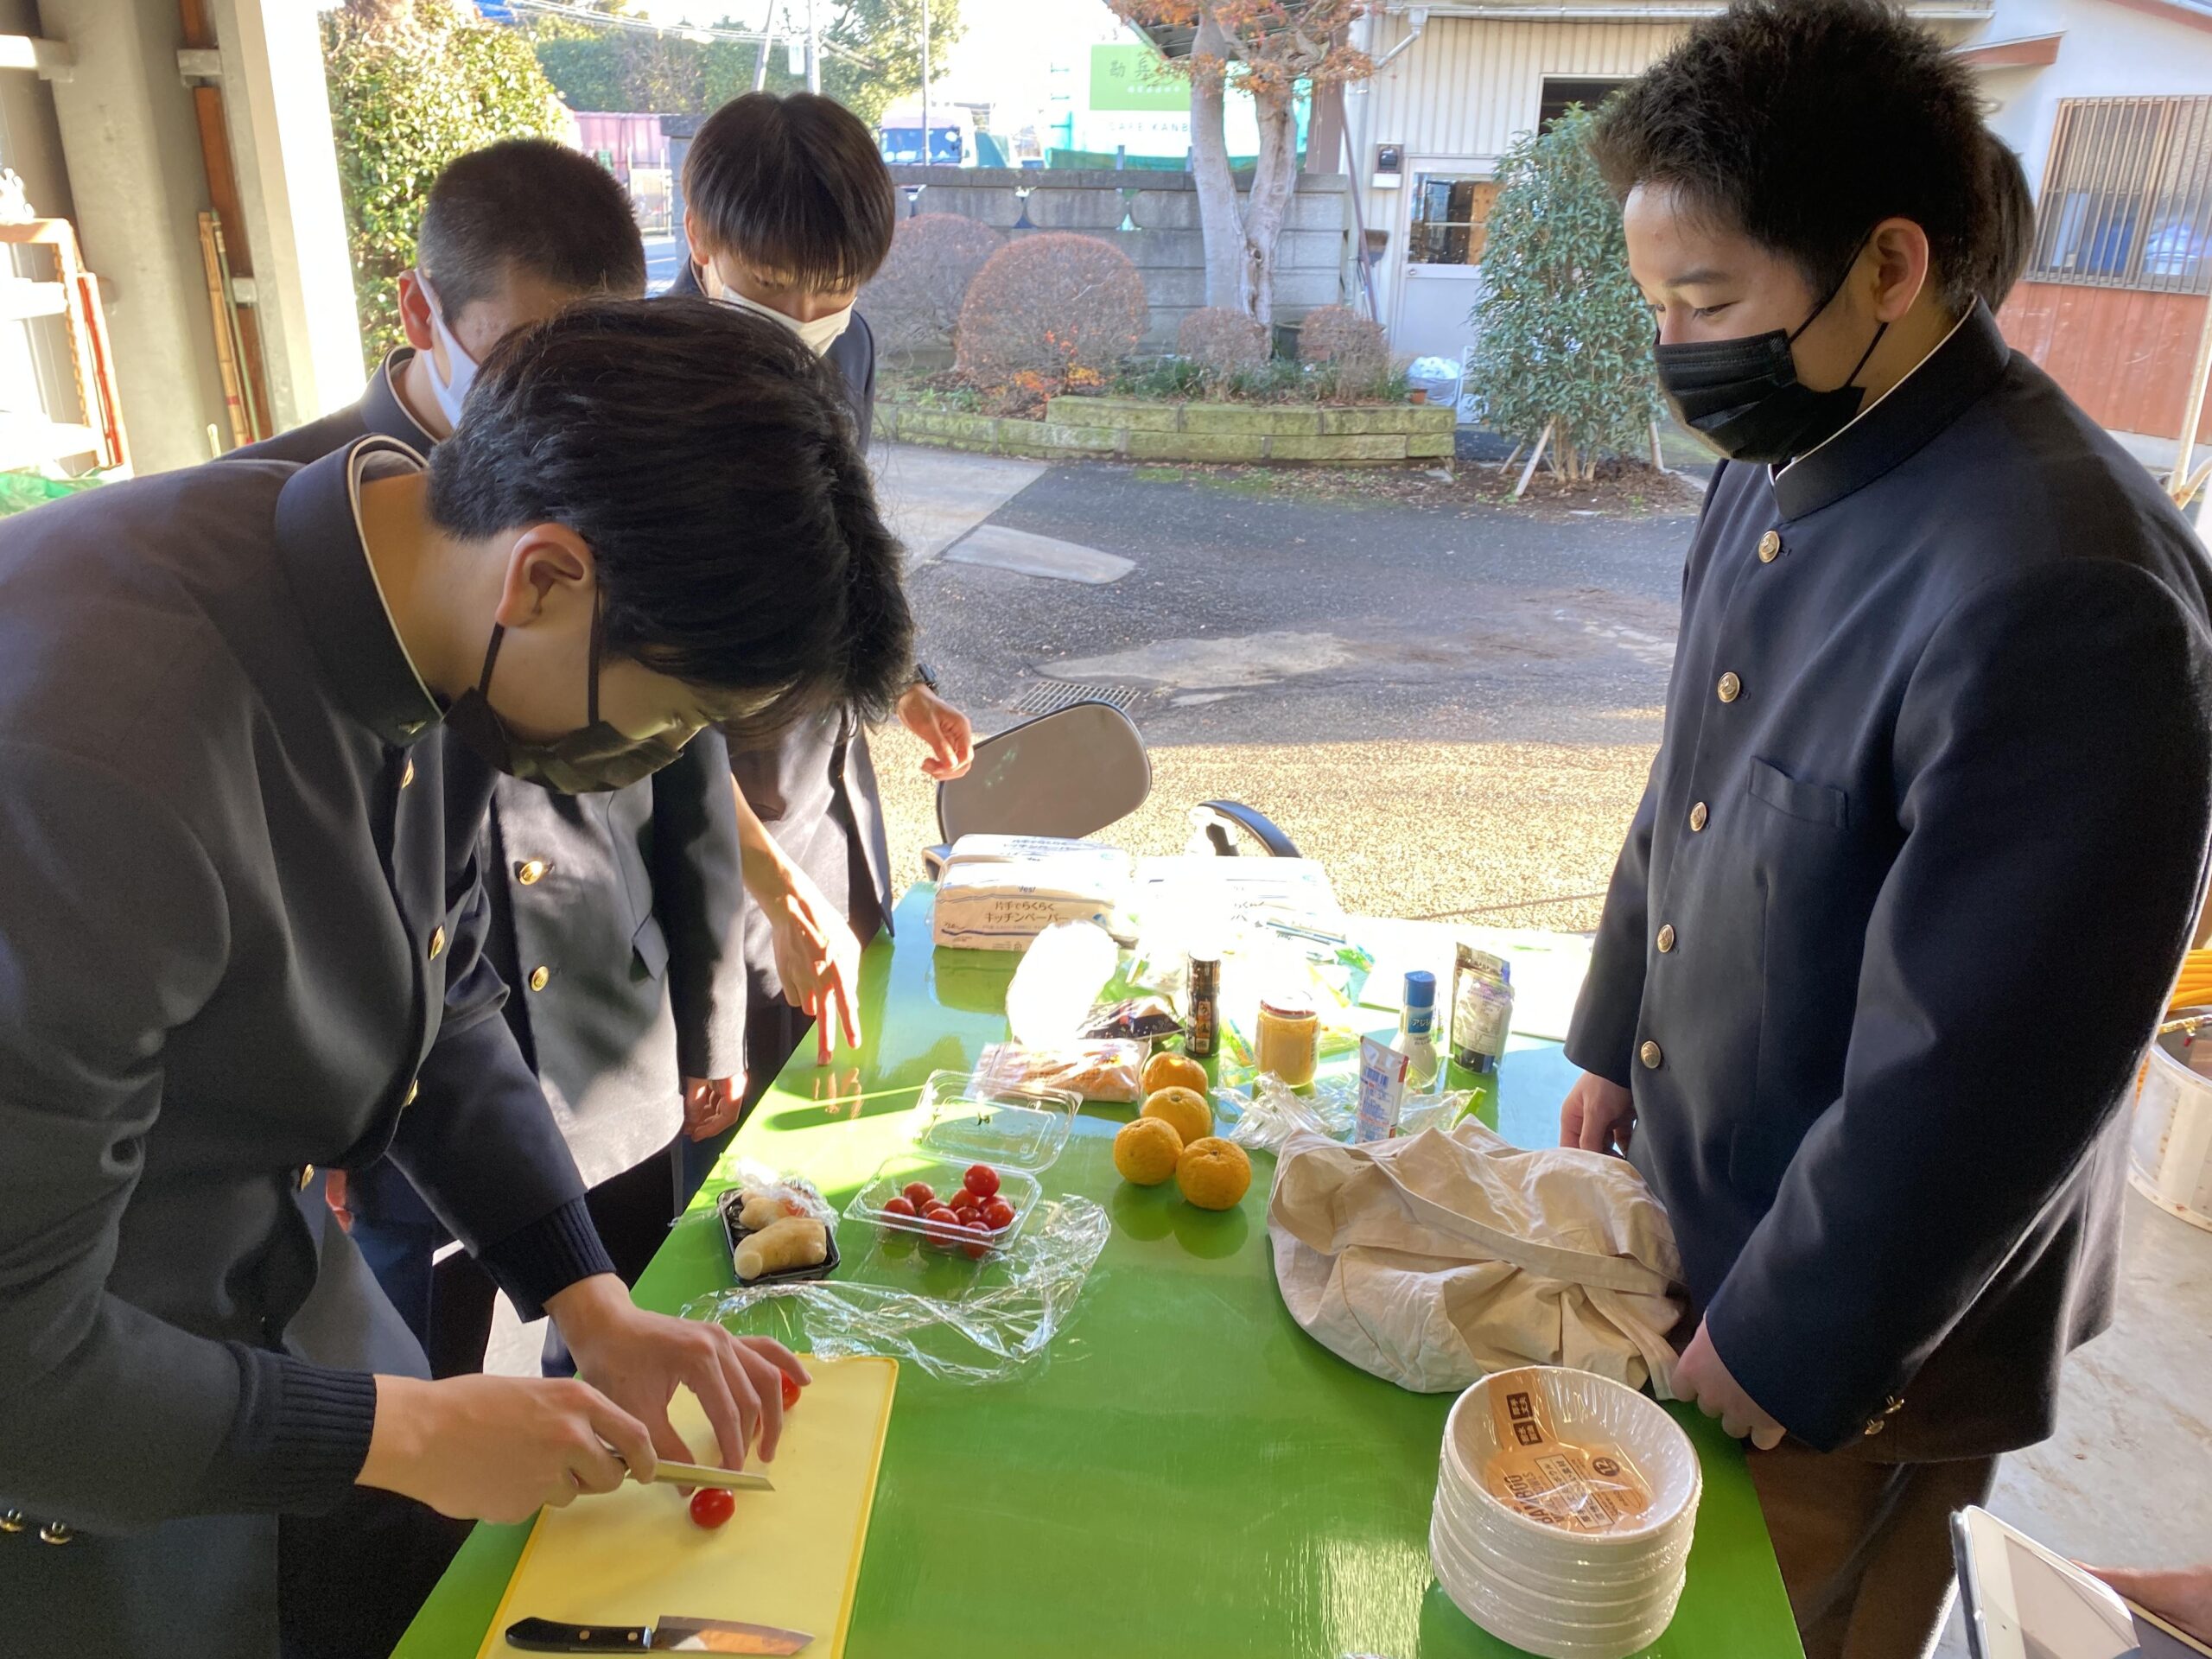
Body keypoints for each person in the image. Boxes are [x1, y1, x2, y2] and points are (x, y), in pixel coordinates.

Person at [0, 298, 912, 1659]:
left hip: (281, 1315)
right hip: (89, 1445)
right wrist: (408, 1427)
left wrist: (588, 1298)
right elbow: (24, 1373)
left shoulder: (430, 610)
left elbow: (446, 989)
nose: (659, 765)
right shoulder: (105, 751)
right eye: (671, 720)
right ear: (546, 578)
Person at [1559, 4, 2212, 1656]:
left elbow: (1994, 1061)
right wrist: (1611, 1035)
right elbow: (1693, 777)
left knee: (1781, 1626)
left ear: (1893, 264)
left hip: (1868, 1335)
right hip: (1717, 1208)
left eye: (1709, 301)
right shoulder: (1795, 451)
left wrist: (1792, 1334)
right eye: (1658, 303)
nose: (1680, 346)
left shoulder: (2067, 585)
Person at [239, 139, 749, 1377]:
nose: (565, 421)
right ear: (420, 311)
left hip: (587, 1034)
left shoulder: (606, 494)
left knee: (603, 1389)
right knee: (409, 1423)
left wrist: (711, 1010)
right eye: (530, 365)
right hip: (355, 1128)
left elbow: (683, 781)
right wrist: (319, 1124)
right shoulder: (261, 540)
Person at [670, 92, 975, 1174]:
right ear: (698, 237)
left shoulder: (849, 351)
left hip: (829, 807)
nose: (805, 312)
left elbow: (845, 539)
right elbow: (636, 704)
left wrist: (900, 677)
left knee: (844, 1111)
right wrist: (767, 887)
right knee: (724, 1160)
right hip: (706, 830)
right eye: (772, 285)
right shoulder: (635, 401)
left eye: (835, 288)